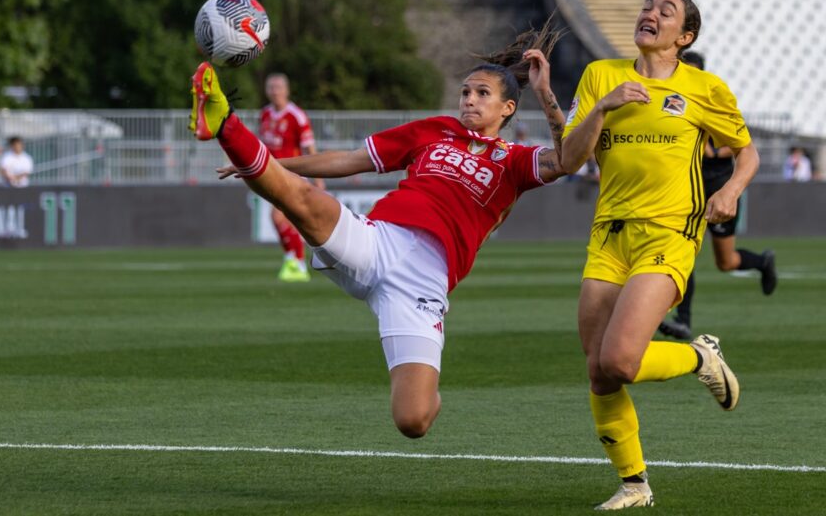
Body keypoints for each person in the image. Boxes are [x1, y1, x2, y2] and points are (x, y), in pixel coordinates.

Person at [192, 24, 567, 439]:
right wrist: (267, 164)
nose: (470, 100)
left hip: (424, 284)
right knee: (302, 201)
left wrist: (546, 94)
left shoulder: (515, 160)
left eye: (482, 94)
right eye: (465, 91)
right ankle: (225, 122)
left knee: (413, 420)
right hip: (378, 241)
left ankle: (429, 394)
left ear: (508, 108)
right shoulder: (434, 130)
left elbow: (567, 160)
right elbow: (347, 161)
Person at [560, 0, 759, 510]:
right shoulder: (601, 74)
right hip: (608, 234)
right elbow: (569, 156)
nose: (649, 13)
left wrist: (731, 190)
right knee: (598, 370)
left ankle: (699, 356)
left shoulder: (704, 87)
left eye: (664, 11)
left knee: (621, 360)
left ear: (684, 36)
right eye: (646, 6)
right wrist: (603, 106)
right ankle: (634, 485)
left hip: (671, 232)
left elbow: (747, 153)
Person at [657, 50, 776, 342]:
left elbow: (739, 145)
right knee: (682, 256)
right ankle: (682, 320)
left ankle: (762, 262)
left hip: (719, 188)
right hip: (686, 190)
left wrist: (709, 149)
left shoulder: (712, 98)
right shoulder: (672, 103)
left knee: (726, 261)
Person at [259, 73, 323, 282]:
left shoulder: (296, 115)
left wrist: (318, 177)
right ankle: (295, 261)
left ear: (286, 90)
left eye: (278, 87)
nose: (274, 91)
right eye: (271, 87)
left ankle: (296, 262)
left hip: (291, 175)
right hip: (270, 175)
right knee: (287, 220)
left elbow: (309, 147)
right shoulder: (266, 114)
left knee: (277, 217)